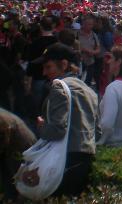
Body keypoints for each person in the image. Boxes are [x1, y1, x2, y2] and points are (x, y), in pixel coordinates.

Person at [34, 43, 100, 197]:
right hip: (87, 158)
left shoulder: (59, 88)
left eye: (48, 67)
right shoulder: (89, 90)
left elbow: (57, 130)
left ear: (63, 65)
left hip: (63, 160)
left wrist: (42, 127)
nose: (44, 72)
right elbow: (98, 131)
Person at [0, 108, 36, 200]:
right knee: (7, 179)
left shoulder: (2, 118)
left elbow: (5, 134)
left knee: (22, 182)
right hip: (8, 146)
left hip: (21, 146)